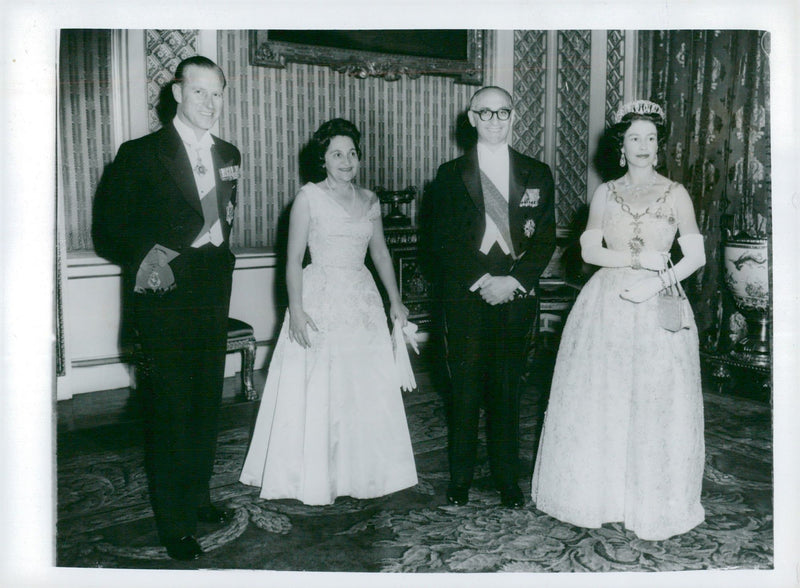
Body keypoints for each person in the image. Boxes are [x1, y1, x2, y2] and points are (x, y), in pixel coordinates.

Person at [531, 100, 706, 541]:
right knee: (603, 398)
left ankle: (651, 500)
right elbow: (588, 251)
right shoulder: (605, 193)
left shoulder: (677, 193)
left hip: (658, 302)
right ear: (621, 147)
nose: (643, 145)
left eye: (650, 138)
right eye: (634, 138)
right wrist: (632, 259)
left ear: (659, 147)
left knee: (654, 399)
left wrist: (656, 279)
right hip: (607, 302)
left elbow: (697, 256)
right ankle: (600, 494)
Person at [92, 56, 240, 561]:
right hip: (164, 299)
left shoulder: (228, 152)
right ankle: (173, 522)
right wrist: (157, 258)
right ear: (177, 93)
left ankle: (197, 497)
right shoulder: (141, 154)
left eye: (217, 94)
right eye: (199, 93)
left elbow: (221, 218)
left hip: (211, 296)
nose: (209, 103)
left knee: (204, 403)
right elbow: (109, 231)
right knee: (169, 412)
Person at [239, 118, 418, 505]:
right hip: (319, 297)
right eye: (337, 153)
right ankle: (316, 474)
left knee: (363, 386)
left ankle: (364, 471)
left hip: (362, 299)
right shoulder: (307, 198)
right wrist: (297, 311)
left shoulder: (370, 201)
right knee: (320, 387)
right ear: (322, 159)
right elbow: (291, 262)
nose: (346, 160)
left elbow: (381, 253)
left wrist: (395, 299)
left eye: (352, 153)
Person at [428, 86, 556, 508]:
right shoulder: (450, 174)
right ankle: (460, 479)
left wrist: (513, 282)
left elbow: (545, 240)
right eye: (486, 113)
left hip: (515, 294)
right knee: (464, 389)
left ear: (513, 117)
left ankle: (507, 480)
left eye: (503, 113)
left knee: (507, 388)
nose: (495, 121)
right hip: (468, 294)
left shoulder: (537, 173)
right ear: (471, 118)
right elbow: (442, 240)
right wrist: (483, 279)